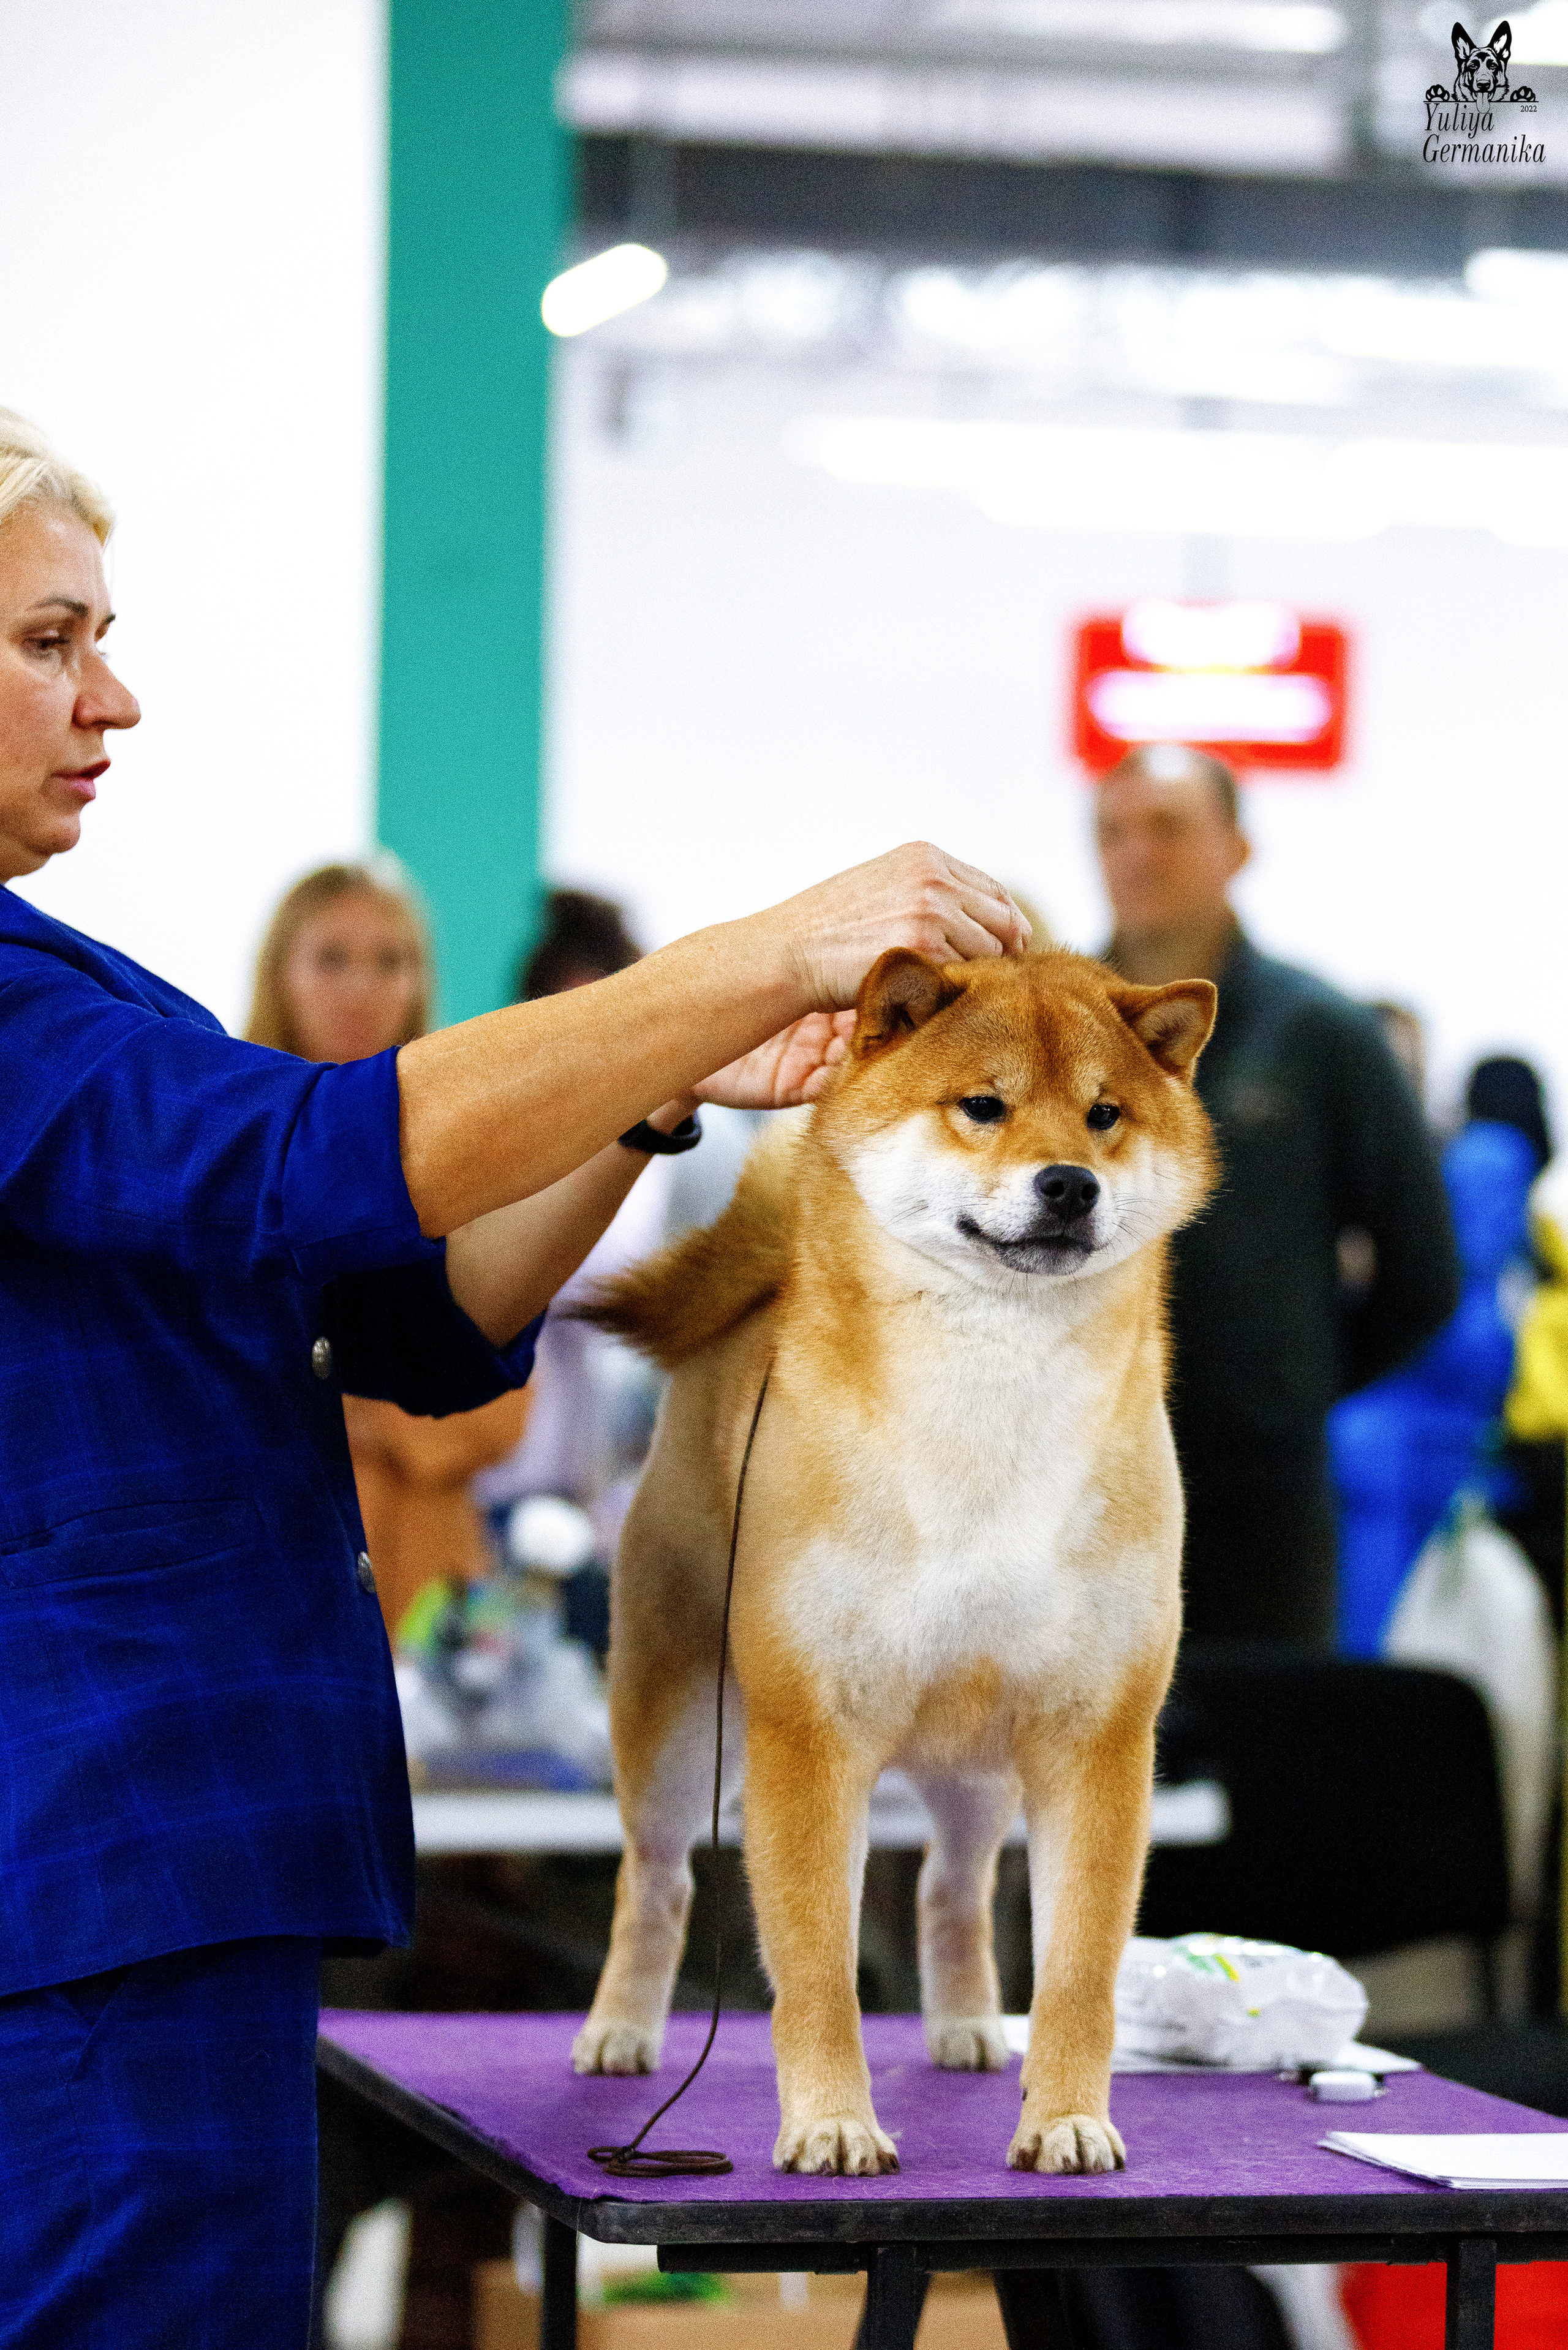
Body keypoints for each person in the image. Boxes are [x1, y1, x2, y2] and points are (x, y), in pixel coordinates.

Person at [0, 406, 1030, 2346]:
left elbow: (400, 1309)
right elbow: (316, 1159)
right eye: (51, 639)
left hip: (155, 1870)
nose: (110, 697)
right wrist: (750, 961)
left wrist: (648, 1090)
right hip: (81, 1877)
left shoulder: (76, 986)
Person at [1093, 742, 1458, 1646]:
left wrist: (1291, 1385)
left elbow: (1423, 1268)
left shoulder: (1320, 1034)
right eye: (1113, 832)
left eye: (1167, 827)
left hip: (1258, 1501)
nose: (1137, 853)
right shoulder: (1049, 1028)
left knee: (1271, 1759)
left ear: (1236, 849)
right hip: (1074, 1489)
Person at [246, 862, 530, 1640]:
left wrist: (353, 1410)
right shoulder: (226, 1143)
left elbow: (502, 1406)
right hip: (272, 1554)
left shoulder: (469, 1145)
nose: (362, 988)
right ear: (280, 972)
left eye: (390, 960)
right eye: (331, 958)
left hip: (438, 1576)